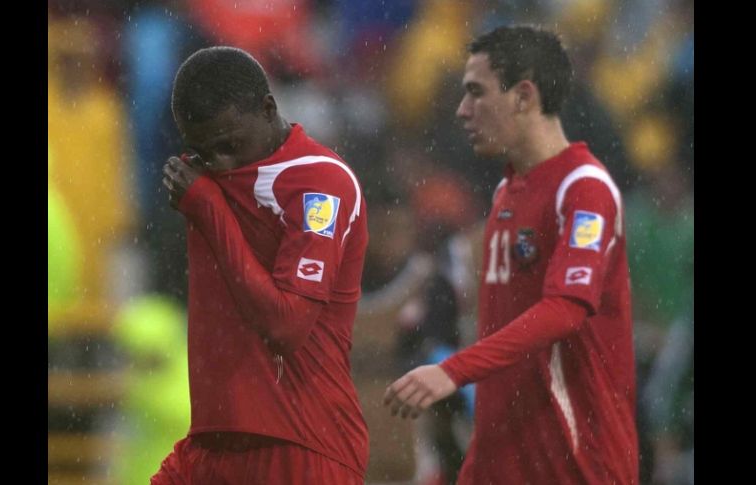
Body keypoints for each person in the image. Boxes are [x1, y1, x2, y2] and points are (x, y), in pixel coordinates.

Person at [383, 26, 638, 485]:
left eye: (476, 94)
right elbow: (504, 342)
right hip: (504, 463)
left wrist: (452, 370)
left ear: (523, 96)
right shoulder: (506, 192)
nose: (462, 111)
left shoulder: (582, 189)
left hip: (576, 463)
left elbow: (565, 310)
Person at [157, 46, 369, 484]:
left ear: (268, 108)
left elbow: (286, 325)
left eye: (230, 145)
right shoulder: (204, 174)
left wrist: (208, 208)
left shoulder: (319, 182)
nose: (221, 163)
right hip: (213, 441)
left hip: (302, 445)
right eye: (203, 151)